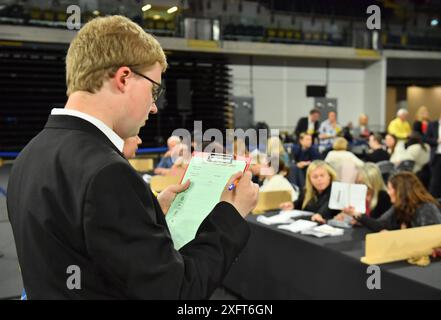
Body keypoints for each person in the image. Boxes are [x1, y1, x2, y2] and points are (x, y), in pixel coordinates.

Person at [7, 16, 259, 299]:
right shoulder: (106, 173)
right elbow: (177, 292)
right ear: (124, 78)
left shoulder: (31, 154)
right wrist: (231, 216)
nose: (153, 107)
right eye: (154, 90)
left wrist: (148, 213)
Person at [343, 172, 441, 232]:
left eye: (390, 188)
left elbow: (428, 238)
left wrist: (394, 236)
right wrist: (355, 214)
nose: (388, 192)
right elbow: (380, 224)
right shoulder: (399, 206)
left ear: (401, 191)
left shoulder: (426, 208)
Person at [426, 107, 441, 211]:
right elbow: (425, 138)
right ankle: (431, 205)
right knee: (434, 182)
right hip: (437, 157)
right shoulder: (432, 125)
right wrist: (437, 141)